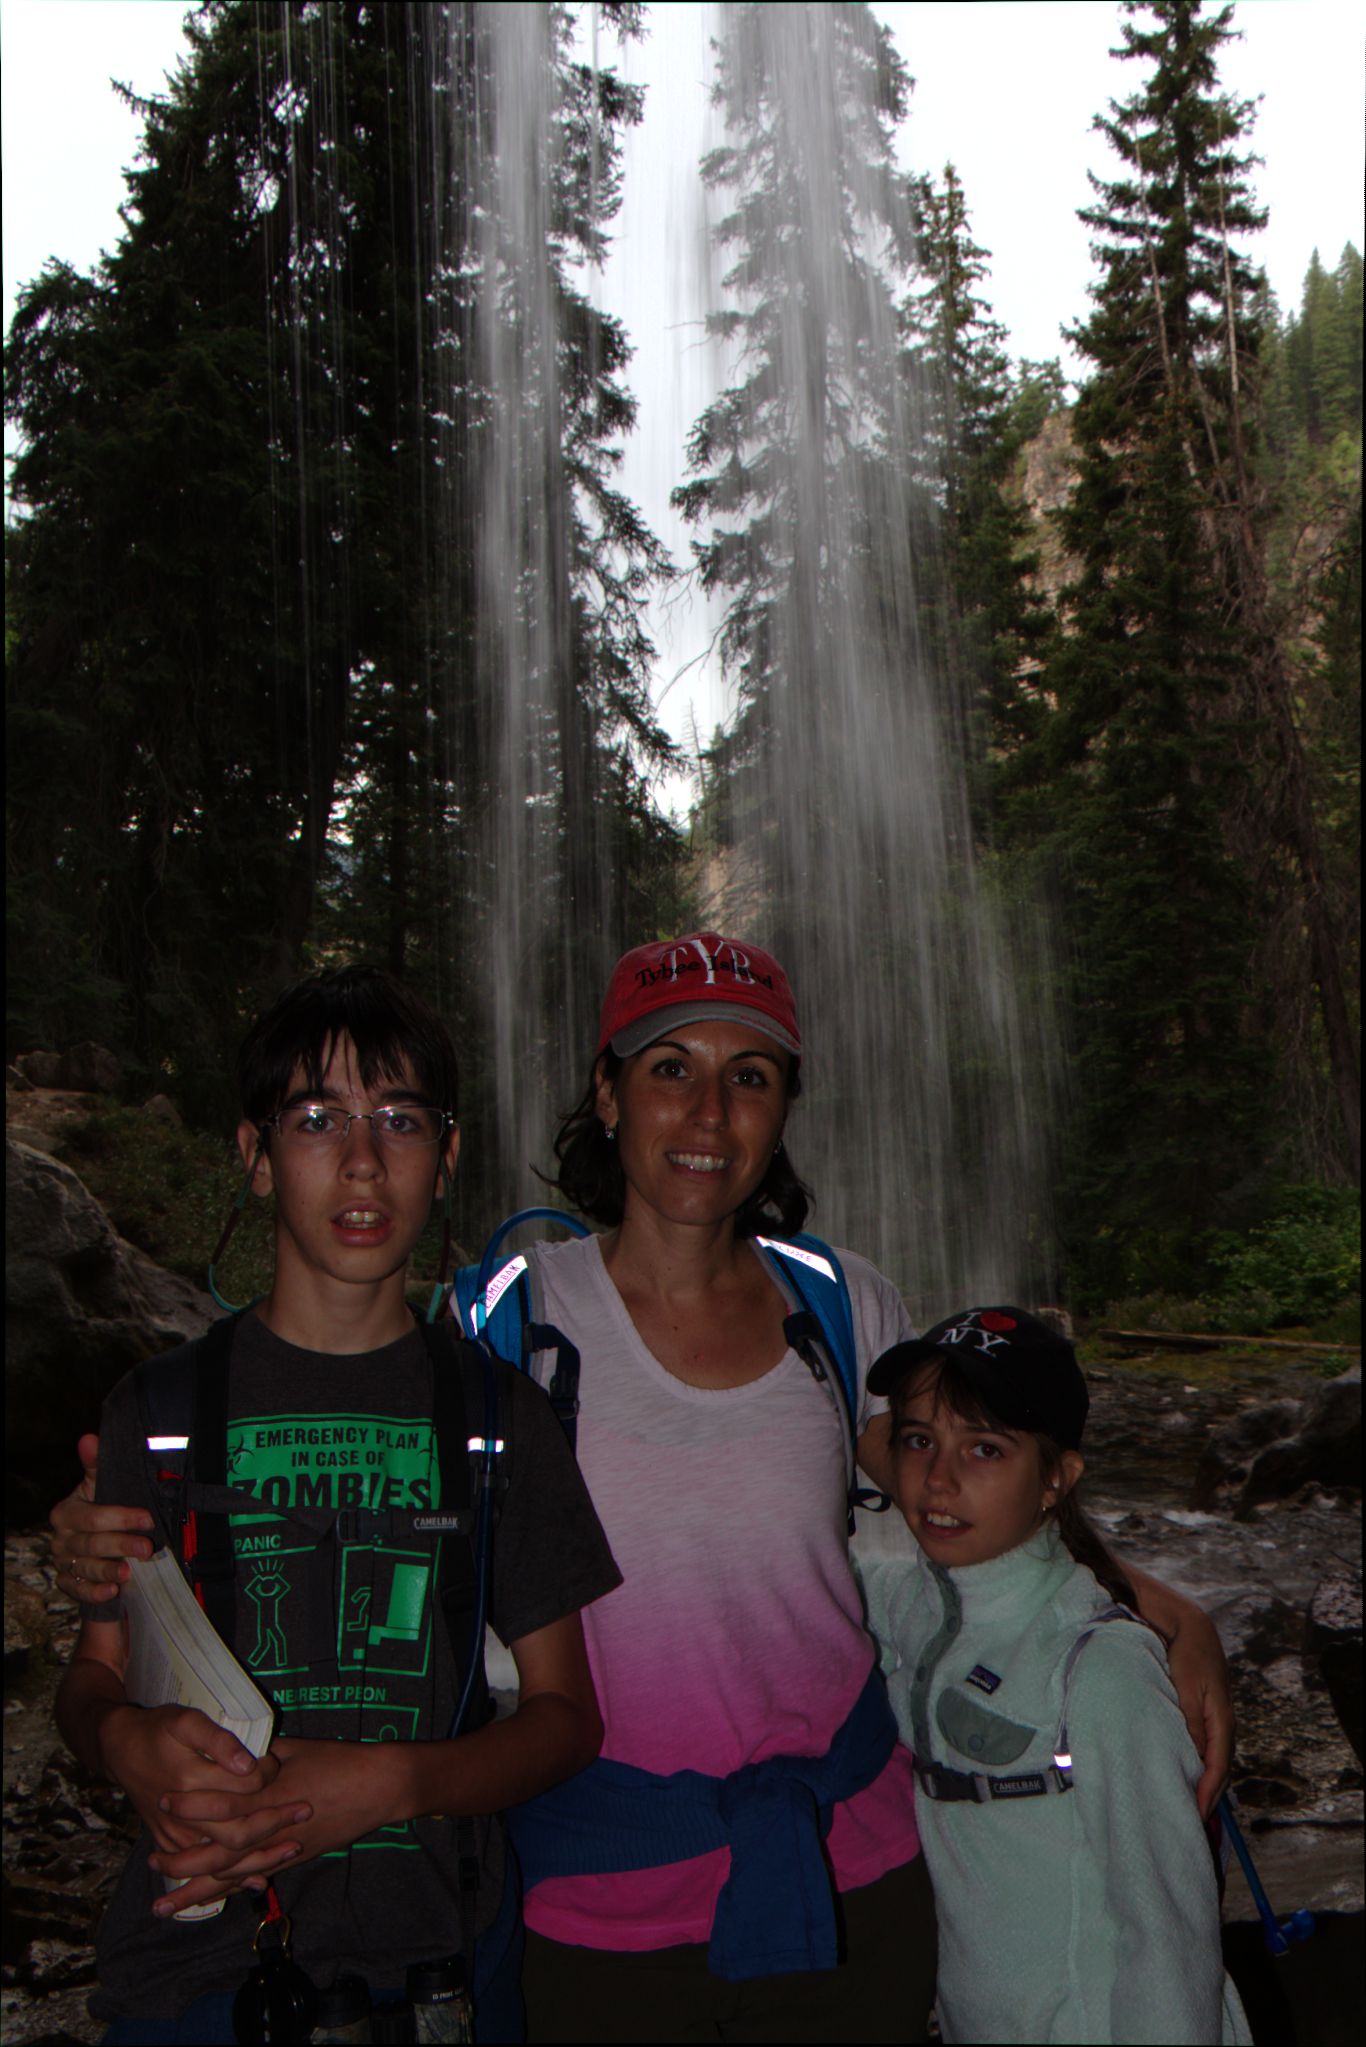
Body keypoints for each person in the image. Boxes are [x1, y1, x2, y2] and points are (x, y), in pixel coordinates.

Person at [53, 934, 1235, 2046]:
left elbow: (959, 1487)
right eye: (670, 1068)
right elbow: (321, 1419)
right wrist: (98, 1543)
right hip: (596, 1883)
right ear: (608, 1095)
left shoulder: (838, 1306)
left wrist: (1128, 1598)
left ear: (782, 1112)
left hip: (848, 1857)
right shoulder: (507, 1322)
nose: (707, 1115)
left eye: (751, 1077)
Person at [53, 966, 621, 2044]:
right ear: (256, 1156)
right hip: (200, 1975)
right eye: (318, 1118)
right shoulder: (159, 1412)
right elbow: (92, 1678)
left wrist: (395, 1782)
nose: (363, 1161)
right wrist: (125, 1742)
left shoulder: (499, 1418)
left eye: (400, 1119)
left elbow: (565, 1719)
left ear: (446, 1156)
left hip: (441, 1972)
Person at [857, 1307, 1250, 2045]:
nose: (938, 1479)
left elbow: (1167, 1928)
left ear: (1055, 1479)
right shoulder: (908, 1604)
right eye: (919, 1440)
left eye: (984, 1449)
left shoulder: (1099, 1667)